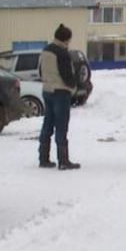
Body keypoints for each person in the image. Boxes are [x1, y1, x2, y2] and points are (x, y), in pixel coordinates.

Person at [37, 23, 80, 170]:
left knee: (47, 124)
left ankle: (43, 158)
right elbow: (67, 75)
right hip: (61, 92)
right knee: (61, 126)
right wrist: (73, 88)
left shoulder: (45, 50)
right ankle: (63, 160)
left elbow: (40, 71)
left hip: (47, 91)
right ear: (66, 39)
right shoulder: (62, 53)